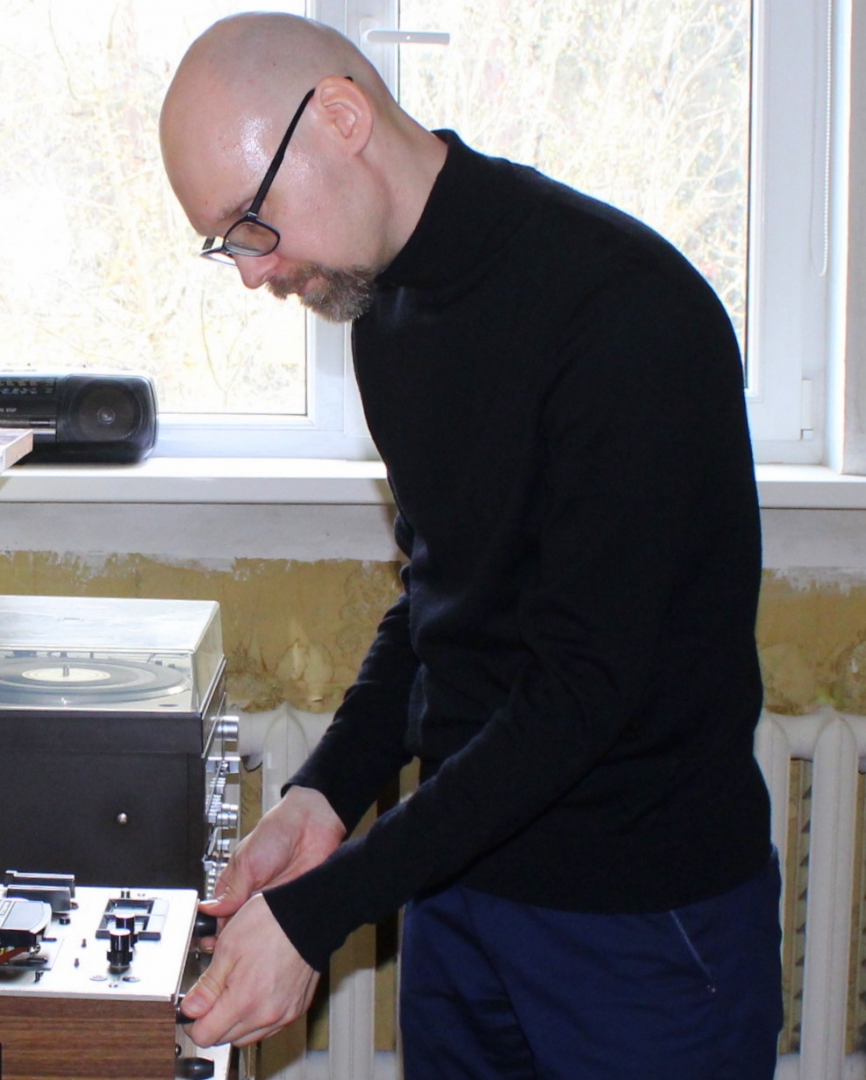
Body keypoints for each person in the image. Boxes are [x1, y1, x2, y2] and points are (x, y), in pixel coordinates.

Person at [159, 13, 781, 1078]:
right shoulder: (385, 313)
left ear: (342, 117)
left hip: (643, 924)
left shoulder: (626, 314)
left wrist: (326, 910)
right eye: (227, 244)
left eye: (250, 224)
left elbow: (584, 690)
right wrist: (323, 796)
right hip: (460, 888)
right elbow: (440, 599)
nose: (252, 274)